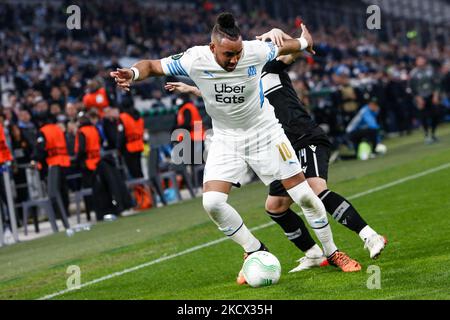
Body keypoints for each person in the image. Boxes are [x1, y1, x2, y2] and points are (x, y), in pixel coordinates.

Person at [111, 13, 361, 284]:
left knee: (305, 197)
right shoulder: (194, 58)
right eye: (228, 54)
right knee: (212, 203)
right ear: (212, 48)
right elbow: (151, 65)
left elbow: (288, 47)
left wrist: (302, 41)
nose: (234, 59)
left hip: (267, 134)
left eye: (238, 53)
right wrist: (133, 74)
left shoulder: (253, 51)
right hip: (226, 139)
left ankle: (333, 252)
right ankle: (254, 249)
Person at [32, 113, 71, 230]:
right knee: (63, 190)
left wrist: (35, 159)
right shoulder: (58, 129)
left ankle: (59, 216)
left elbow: (41, 149)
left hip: (52, 163)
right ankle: (66, 213)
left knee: (53, 193)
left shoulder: (43, 131)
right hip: (64, 161)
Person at [74, 111, 102, 221]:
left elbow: (81, 148)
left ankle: (90, 213)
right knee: (98, 187)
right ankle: (100, 209)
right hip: (97, 161)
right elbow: (101, 140)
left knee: (88, 189)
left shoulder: (82, 131)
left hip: (87, 163)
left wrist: (77, 160)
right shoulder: (94, 129)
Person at [409, 56, 441, 144]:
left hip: (431, 95)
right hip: (420, 97)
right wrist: (418, 98)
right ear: (416, 62)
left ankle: (433, 133)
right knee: (423, 116)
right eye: (419, 60)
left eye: (422, 60)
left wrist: (435, 95)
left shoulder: (430, 70)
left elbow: (436, 83)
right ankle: (427, 135)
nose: (421, 62)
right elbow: (412, 88)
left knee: (436, 114)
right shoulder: (413, 73)